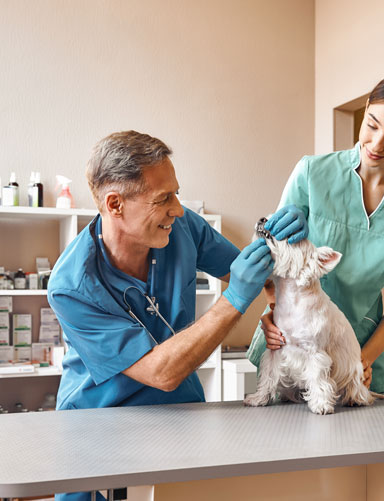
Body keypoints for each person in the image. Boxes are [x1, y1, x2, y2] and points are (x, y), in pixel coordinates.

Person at [47, 130, 306, 500]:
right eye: (163, 198)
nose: (178, 209)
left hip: (177, 413)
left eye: (177, 194)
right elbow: (160, 372)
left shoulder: (182, 228)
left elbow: (261, 282)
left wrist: (285, 249)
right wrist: (235, 300)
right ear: (115, 204)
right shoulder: (72, 286)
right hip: (98, 422)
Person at [247, 68, 384, 395]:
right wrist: (273, 314)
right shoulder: (312, 172)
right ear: (365, 109)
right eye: (372, 125)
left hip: (359, 347)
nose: (376, 145)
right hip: (290, 347)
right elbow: (273, 260)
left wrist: (362, 360)